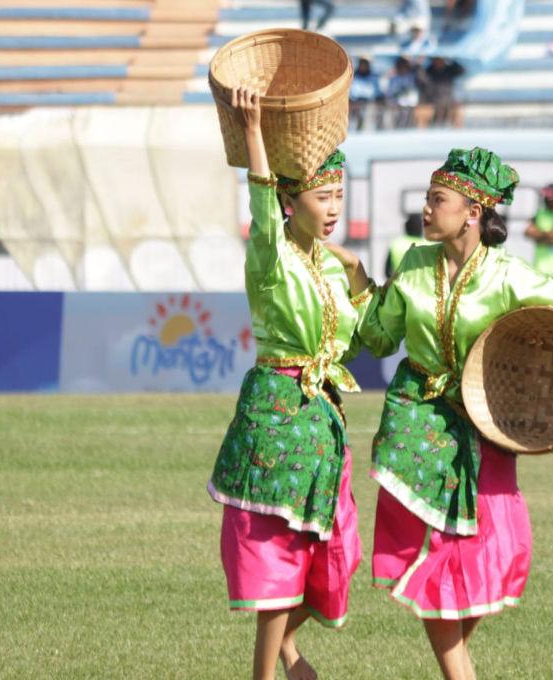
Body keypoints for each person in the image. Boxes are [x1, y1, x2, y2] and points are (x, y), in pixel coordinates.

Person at [359, 147, 553, 679]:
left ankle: (457, 660)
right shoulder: (414, 264)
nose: (425, 207)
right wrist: (357, 286)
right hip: (418, 423)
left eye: (436, 199)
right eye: (427, 198)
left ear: (472, 212)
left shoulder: (508, 278)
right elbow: (376, 337)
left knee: (498, 550)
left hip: (487, 424)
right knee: (441, 553)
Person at [208, 86, 376, 680]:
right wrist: (254, 130)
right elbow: (258, 206)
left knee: (335, 555)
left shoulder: (332, 266)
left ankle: (287, 652)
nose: (333, 208)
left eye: (338, 196)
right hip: (277, 417)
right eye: (322, 196)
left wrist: (360, 277)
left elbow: (363, 339)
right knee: (277, 556)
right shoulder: (271, 257)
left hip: (323, 424)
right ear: (289, 197)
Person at [524, 183, 553, 280]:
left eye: (551, 198)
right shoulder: (540, 213)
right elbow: (528, 232)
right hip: (540, 271)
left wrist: (539, 236)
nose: (548, 201)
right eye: (546, 198)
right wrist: (550, 235)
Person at [416, 56, 466, 128]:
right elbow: (420, 79)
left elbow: (462, 71)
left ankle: (458, 135)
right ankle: (421, 135)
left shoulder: (450, 70)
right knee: (422, 110)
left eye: (441, 59)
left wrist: (452, 60)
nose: (438, 62)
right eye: (436, 59)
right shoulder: (428, 71)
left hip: (448, 102)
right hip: (431, 103)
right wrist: (419, 64)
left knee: (458, 111)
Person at [385, 212, 426, 277]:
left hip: (398, 284)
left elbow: (387, 271)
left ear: (406, 227)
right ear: (421, 228)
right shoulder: (429, 245)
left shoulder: (395, 244)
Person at [385, 56, 421, 128]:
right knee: (398, 123)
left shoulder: (412, 77)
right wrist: (392, 102)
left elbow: (416, 92)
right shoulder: (394, 79)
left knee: (410, 123)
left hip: (411, 106)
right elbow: (389, 94)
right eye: (400, 66)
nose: (402, 68)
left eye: (404, 66)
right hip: (397, 106)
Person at [350, 57, 384, 131]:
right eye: (362, 65)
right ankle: (356, 128)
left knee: (372, 107)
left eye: (365, 65)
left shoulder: (374, 77)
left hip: (370, 102)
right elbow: (352, 93)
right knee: (354, 107)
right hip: (356, 103)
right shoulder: (354, 77)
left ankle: (373, 128)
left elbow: (378, 93)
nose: (363, 67)